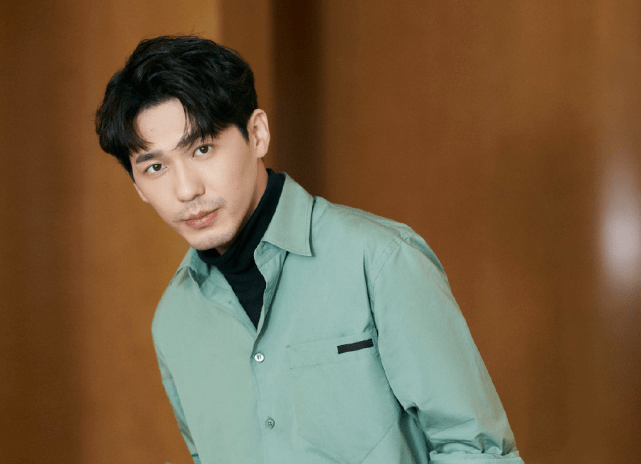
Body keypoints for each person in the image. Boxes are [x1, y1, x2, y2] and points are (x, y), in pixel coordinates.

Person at [95, 35, 525, 464]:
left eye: (202, 148)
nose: (186, 189)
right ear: (138, 186)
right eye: (156, 167)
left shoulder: (378, 259)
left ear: (257, 134)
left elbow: (477, 449)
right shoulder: (174, 321)